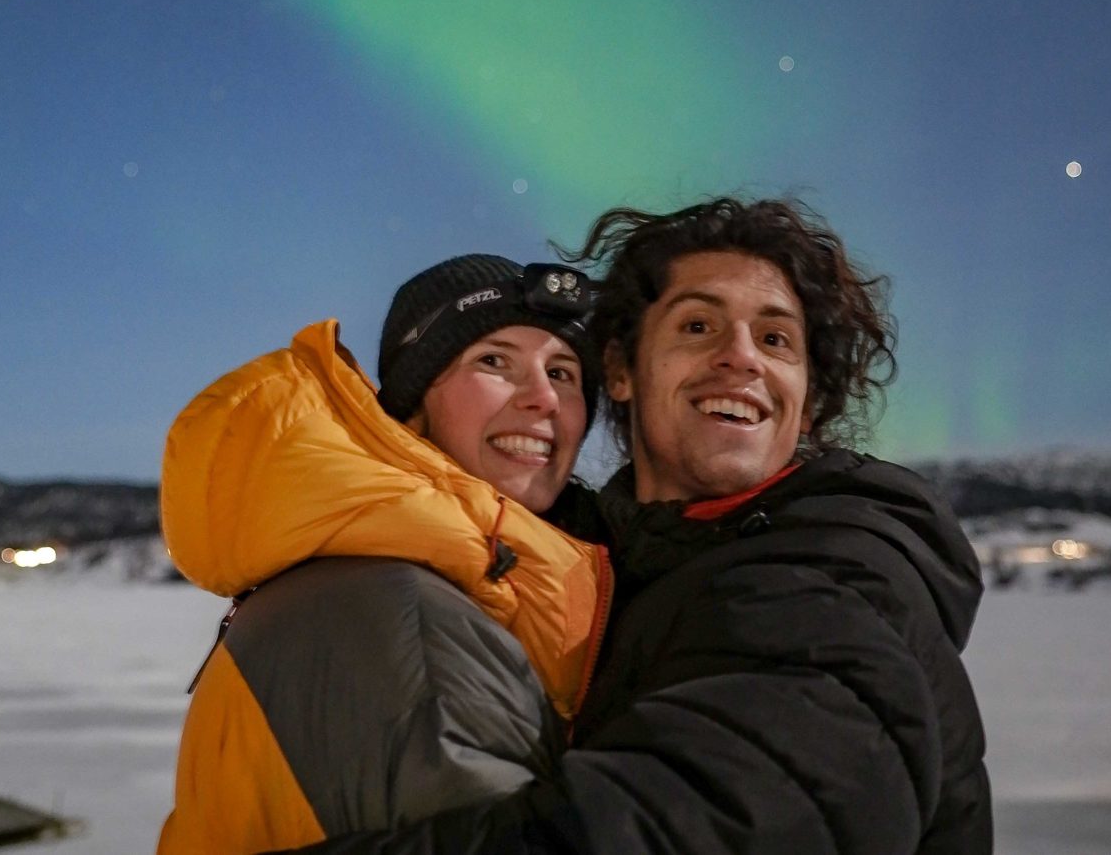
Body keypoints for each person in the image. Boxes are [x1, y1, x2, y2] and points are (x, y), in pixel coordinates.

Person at [273, 196, 992, 854]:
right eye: (699, 325)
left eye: (776, 340)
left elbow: (672, 830)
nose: (740, 356)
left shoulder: (821, 582)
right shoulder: (615, 569)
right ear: (621, 369)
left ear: (804, 408)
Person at [157, 254, 614, 854]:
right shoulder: (404, 620)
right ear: (414, 405)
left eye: (563, 374)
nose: (543, 400)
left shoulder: (420, 577)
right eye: (494, 361)